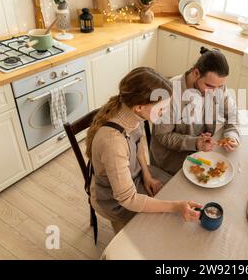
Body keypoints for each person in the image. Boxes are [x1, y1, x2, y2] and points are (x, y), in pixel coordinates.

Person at [86, 67, 202, 234]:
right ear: (139, 107)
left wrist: (147, 175)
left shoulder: (131, 115)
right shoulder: (112, 142)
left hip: (136, 177)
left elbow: (138, 142)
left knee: (178, 189)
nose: (164, 113)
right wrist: (175, 207)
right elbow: (128, 199)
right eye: (161, 108)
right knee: (165, 225)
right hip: (115, 200)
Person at [150, 47, 240, 175]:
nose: (214, 92)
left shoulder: (216, 86)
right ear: (196, 73)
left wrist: (232, 135)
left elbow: (232, 113)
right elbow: (162, 136)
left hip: (201, 154)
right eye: (209, 86)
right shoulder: (169, 93)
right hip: (171, 162)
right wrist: (195, 143)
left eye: (219, 87)